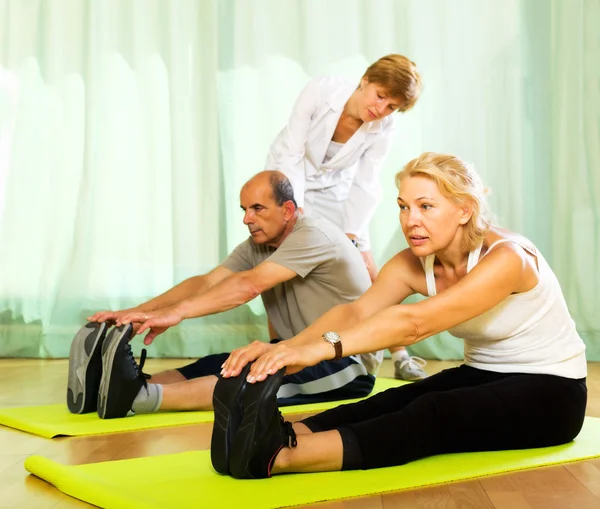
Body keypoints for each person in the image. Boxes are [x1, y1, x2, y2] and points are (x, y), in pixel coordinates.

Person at [215, 152, 588, 479]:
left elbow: (414, 323)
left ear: (464, 209)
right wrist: (284, 349)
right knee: (390, 401)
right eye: (403, 206)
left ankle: (278, 457)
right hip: (484, 374)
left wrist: (320, 350)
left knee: (433, 412)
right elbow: (357, 311)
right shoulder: (414, 262)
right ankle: (269, 432)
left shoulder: (507, 259)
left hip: (553, 392)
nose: (411, 220)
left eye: (426, 206)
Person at [67, 171, 382, 419]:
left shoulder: (314, 234)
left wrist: (177, 313)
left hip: (344, 360)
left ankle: (136, 399)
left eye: (257, 208)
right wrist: (136, 312)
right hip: (291, 350)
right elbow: (207, 282)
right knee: (216, 364)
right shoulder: (257, 246)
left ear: (287, 210)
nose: (247, 218)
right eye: (245, 210)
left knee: (250, 379)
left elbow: (250, 285)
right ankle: (112, 389)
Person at [265, 53, 426, 381]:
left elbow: (367, 181)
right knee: (279, 268)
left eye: (391, 106)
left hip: (334, 191)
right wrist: (294, 214)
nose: (380, 110)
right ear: (365, 80)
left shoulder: (384, 126)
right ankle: (278, 349)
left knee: (365, 269)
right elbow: (292, 152)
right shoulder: (319, 92)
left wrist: (352, 233)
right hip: (286, 177)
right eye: (380, 96)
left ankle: (400, 355)